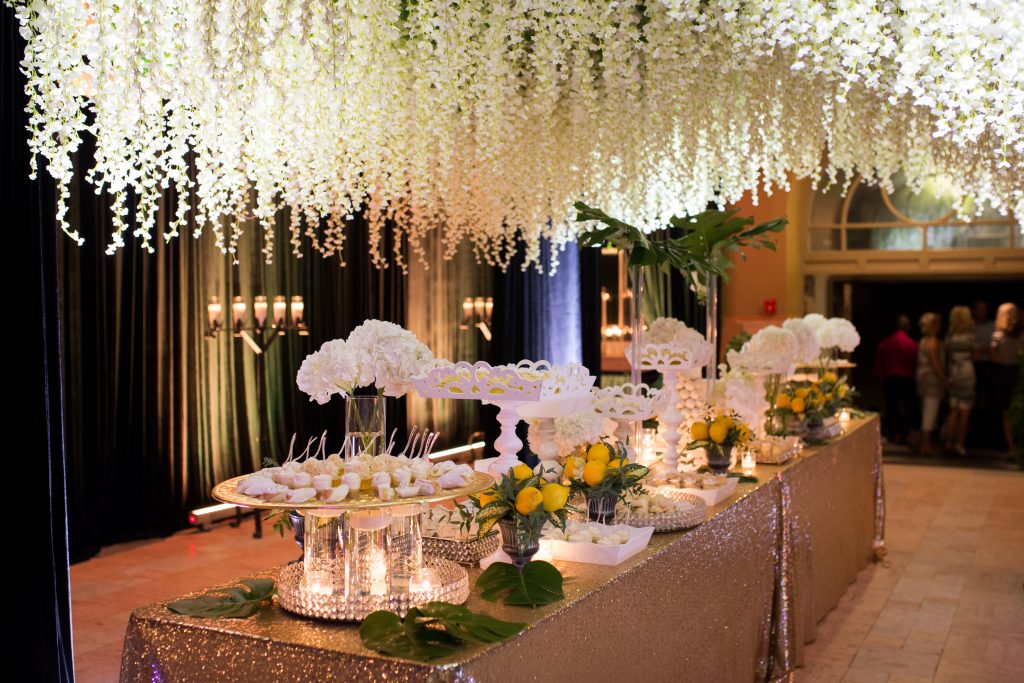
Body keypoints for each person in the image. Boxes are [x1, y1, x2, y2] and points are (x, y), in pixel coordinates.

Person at [874, 315, 918, 443]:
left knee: (892, 408)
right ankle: (902, 434)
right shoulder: (911, 344)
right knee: (910, 408)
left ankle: (892, 434)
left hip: (890, 379)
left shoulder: (885, 343)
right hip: (906, 379)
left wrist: (881, 378)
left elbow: (878, 364)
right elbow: (915, 364)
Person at [943, 306, 977, 457]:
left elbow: (947, 355)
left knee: (953, 411)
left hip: (953, 372)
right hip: (967, 372)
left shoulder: (950, 337)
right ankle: (960, 445)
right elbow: (975, 356)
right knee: (965, 412)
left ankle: (948, 443)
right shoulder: (970, 337)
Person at [991, 302, 1024, 456]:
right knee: (1013, 411)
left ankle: (1012, 448)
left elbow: (995, 357)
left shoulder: (997, 336)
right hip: (1015, 372)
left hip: (1005, 373)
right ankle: (1014, 447)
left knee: (1007, 412)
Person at [916, 312, 946, 457]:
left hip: (924, 379)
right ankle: (925, 445)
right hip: (931, 380)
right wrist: (944, 379)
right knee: (930, 411)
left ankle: (928, 443)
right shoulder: (932, 341)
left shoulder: (924, 340)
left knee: (928, 411)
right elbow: (935, 363)